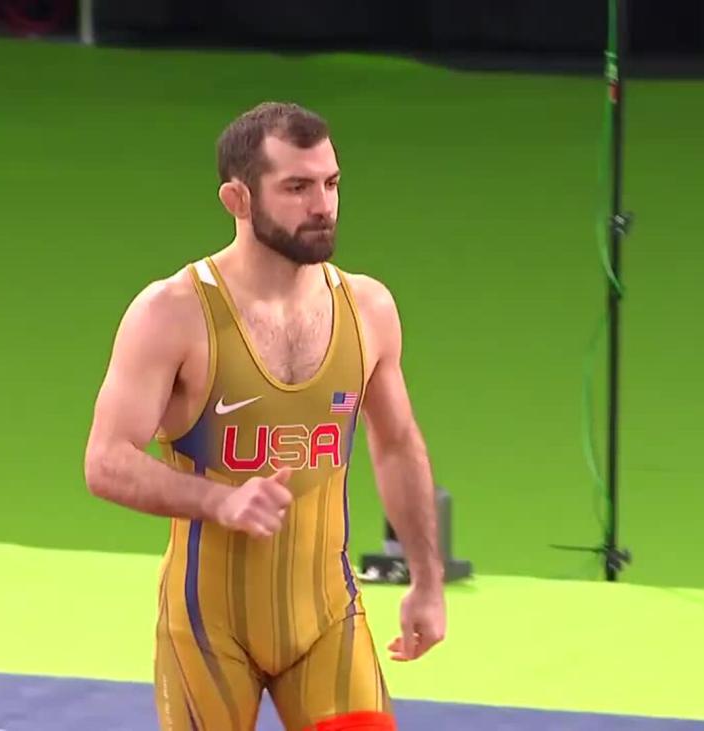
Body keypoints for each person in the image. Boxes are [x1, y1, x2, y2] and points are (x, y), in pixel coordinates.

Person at [83, 101, 446, 731]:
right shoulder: (173, 313)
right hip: (207, 630)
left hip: (328, 618)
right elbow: (106, 461)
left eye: (331, 183)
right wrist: (219, 501)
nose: (323, 205)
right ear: (238, 199)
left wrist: (427, 580)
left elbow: (396, 444)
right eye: (297, 188)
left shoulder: (367, 309)